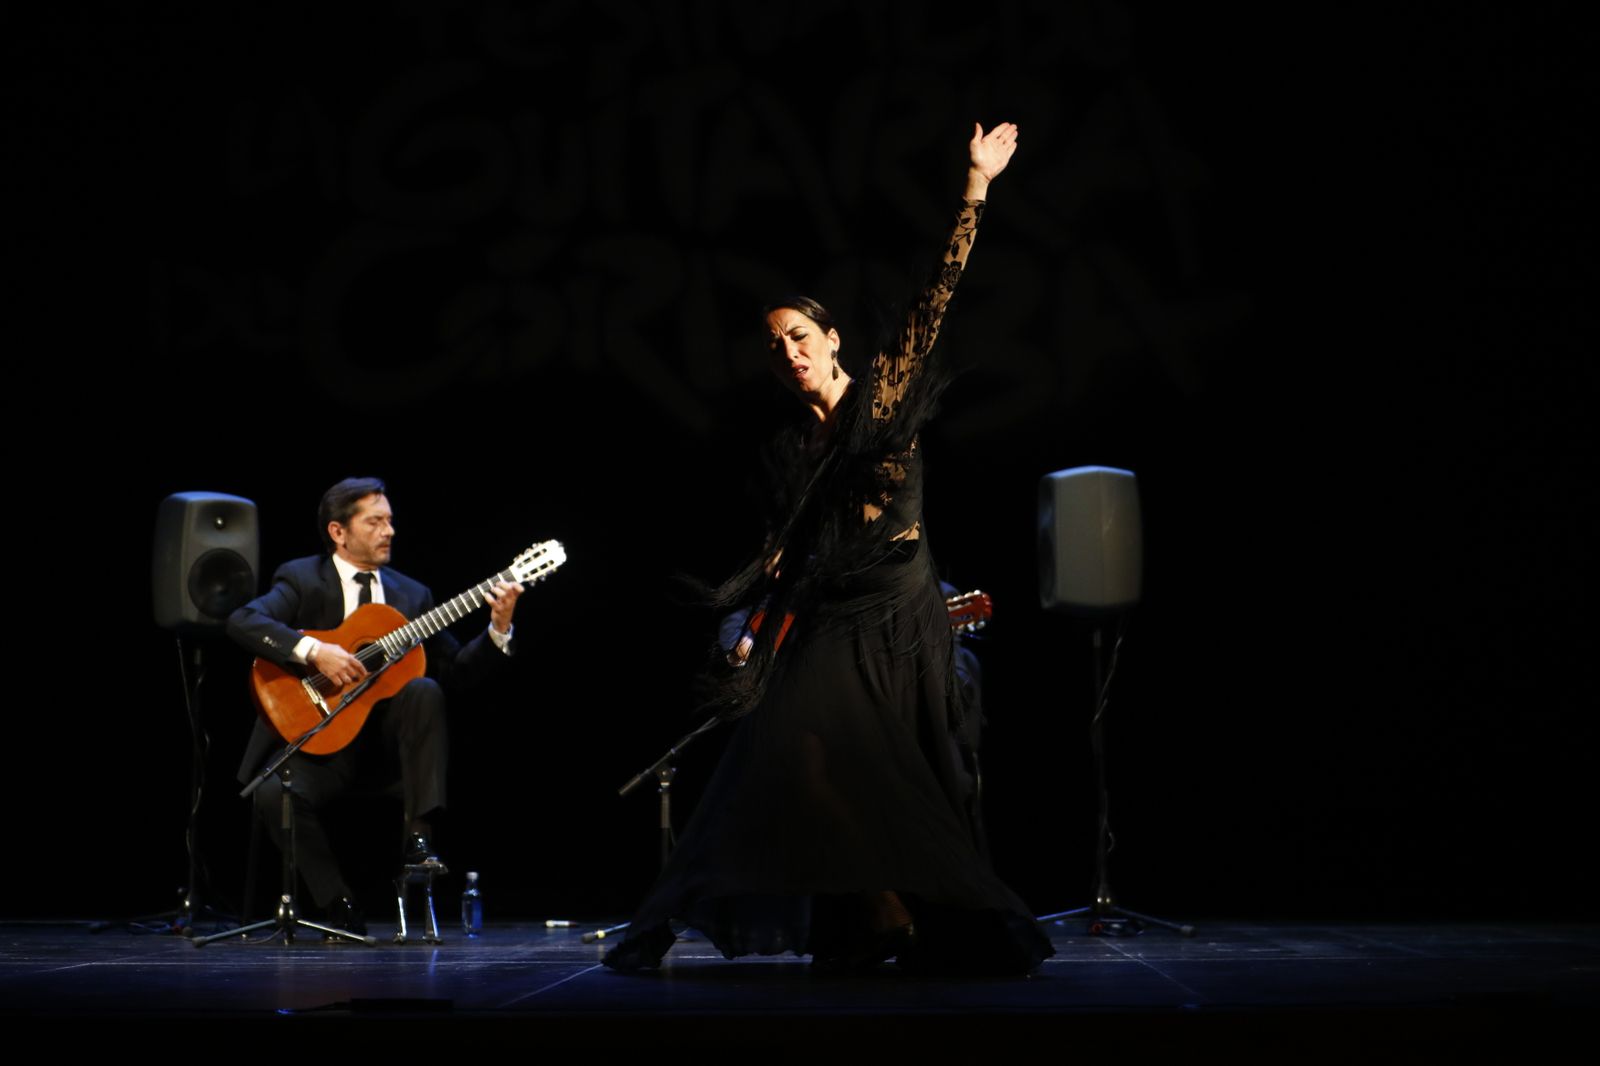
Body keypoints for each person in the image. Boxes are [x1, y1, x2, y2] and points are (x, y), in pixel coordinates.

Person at [604, 123, 1052, 974]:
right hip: (829, 618)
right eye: (774, 345)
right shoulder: (787, 451)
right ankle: (875, 910)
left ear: (832, 337)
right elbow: (787, 551)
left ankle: (901, 916)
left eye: (799, 336)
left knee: (901, 773)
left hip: (901, 611)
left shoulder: (882, 393)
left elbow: (937, 294)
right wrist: (754, 614)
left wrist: (975, 187)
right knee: (789, 754)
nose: (788, 351)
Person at [228, 477, 523, 933]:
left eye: (390, 521)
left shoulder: (412, 596)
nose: (389, 531)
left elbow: (459, 672)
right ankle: (339, 904)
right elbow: (245, 620)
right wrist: (315, 651)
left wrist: (498, 628)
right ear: (338, 532)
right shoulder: (302, 577)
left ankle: (418, 843)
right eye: (375, 522)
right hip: (325, 745)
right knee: (274, 795)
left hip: (392, 751)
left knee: (425, 689)